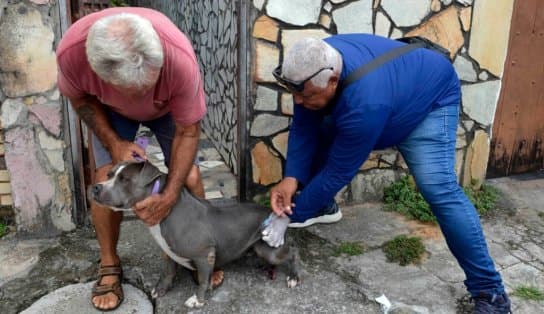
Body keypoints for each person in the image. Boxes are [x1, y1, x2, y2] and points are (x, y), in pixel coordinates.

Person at [265, 35, 511, 313]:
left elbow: (338, 171)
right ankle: (322, 206)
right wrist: (291, 178)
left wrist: (288, 216)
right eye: (294, 92)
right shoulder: (313, 61)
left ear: (333, 81)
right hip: (389, 97)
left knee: (438, 190)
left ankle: (490, 293)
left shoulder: (365, 104)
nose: (297, 100)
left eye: (304, 95)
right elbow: (303, 128)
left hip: (430, 101)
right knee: (319, 128)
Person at [56, 7, 223, 311]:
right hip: (110, 114)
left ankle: (205, 250)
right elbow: (79, 99)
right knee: (104, 177)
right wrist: (114, 142)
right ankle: (109, 262)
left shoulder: (179, 60)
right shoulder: (71, 54)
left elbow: (188, 132)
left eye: (149, 85)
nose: (141, 97)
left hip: (168, 111)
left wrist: (170, 195)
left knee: (190, 178)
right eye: (133, 91)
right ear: (98, 72)